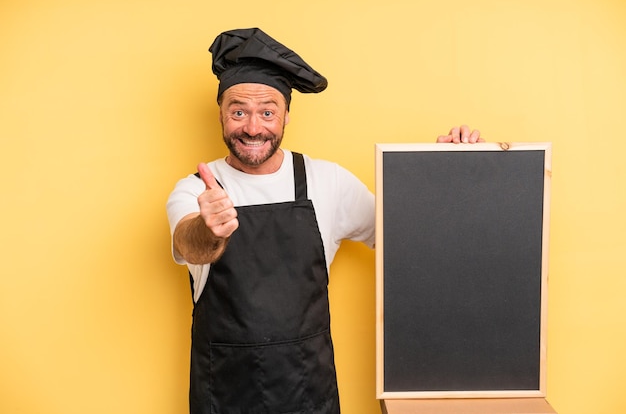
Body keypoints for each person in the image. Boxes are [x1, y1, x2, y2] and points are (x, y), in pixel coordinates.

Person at [166, 27, 483, 414]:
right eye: (238, 112)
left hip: (307, 390)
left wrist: (446, 169)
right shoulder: (194, 189)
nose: (252, 127)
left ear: (285, 115)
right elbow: (188, 244)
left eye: (267, 112)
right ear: (221, 113)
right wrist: (208, 227)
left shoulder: (327, 180)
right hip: (225, 393)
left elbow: (405, 236)